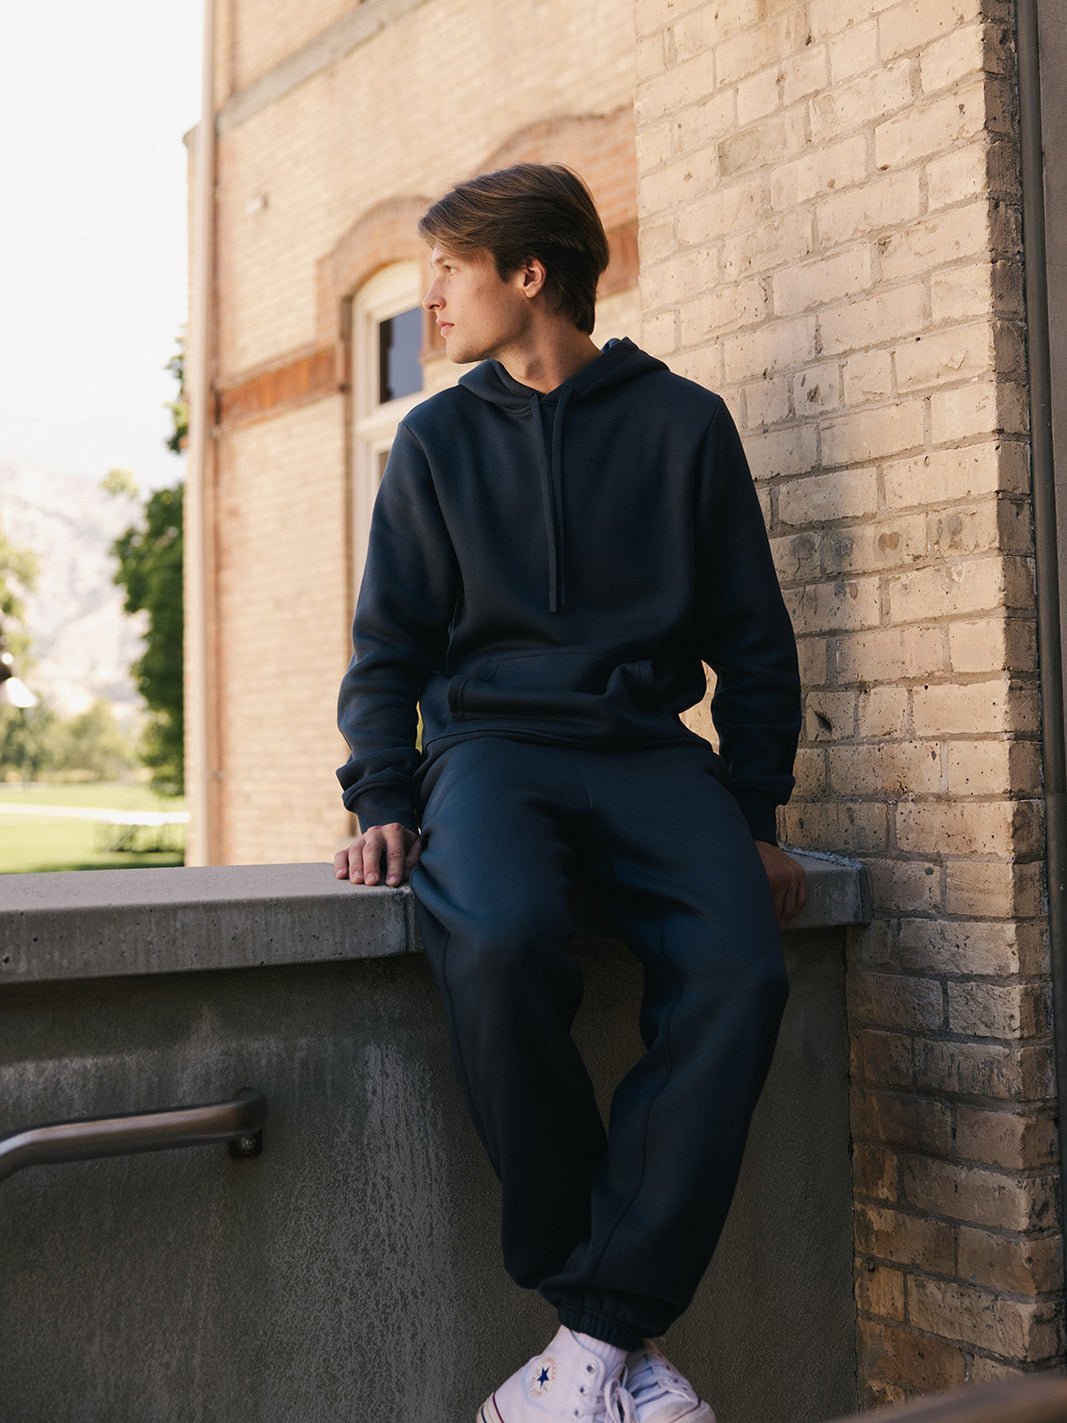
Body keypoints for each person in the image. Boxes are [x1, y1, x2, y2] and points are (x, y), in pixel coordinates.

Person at [334, 163, 806, 1423]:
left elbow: (752, 640)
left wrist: (753, 813)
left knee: (741, 968)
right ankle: (603, 1333)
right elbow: (387, 646)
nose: (429, 298)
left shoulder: (684, 424)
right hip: (487, 754)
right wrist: (382, 792)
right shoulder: (432, 442)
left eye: (447, 269)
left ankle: (580, 1353)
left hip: (651, 755)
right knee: (494, 939)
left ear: (526, 275)